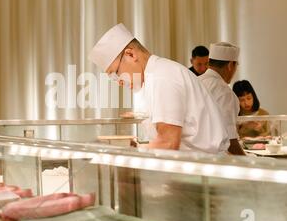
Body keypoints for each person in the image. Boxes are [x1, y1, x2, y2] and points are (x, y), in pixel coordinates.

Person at [89, 23, 229, 154]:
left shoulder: (162, 76)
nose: (118, 82)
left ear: (131, 54)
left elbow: (168, 143)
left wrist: (127, 153)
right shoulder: (152, 77)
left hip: (203, 169)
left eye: (116, 73)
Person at [198, 42, 246, 156]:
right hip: (214, 158)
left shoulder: (195, 81)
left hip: (192, 157)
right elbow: (230, 139)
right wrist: (246, 162)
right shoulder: (225, 92)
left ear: (209, 63)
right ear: (230, 65)